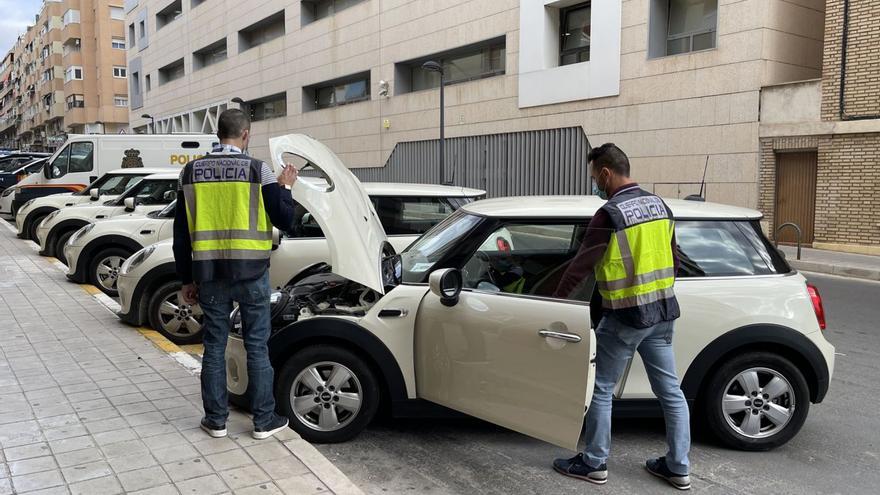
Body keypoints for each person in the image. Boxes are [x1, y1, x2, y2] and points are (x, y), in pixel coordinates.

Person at [551, 143, 691, 490]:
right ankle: (678, 467)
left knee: (601, 388)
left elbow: (579, 268)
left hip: (624, 317)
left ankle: (594, 462)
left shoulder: (609, 214)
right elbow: (673, 262)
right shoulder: (661, 206)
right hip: (662, 313)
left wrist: (552, 304)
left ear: (605, 174)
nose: (595, 185)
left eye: (595, 178)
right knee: (671, 392)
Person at [173, 109, 298, 440]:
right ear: (246, 135)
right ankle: (263, 421)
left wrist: (186, 279)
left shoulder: (189, 172)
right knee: (257, 346)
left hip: (210, 273)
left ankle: (216, 421)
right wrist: (285, 188)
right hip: (253, 271)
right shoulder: (261, 170)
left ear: (218, 135)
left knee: (214, 346)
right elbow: (286, 220)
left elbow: (181, 234)